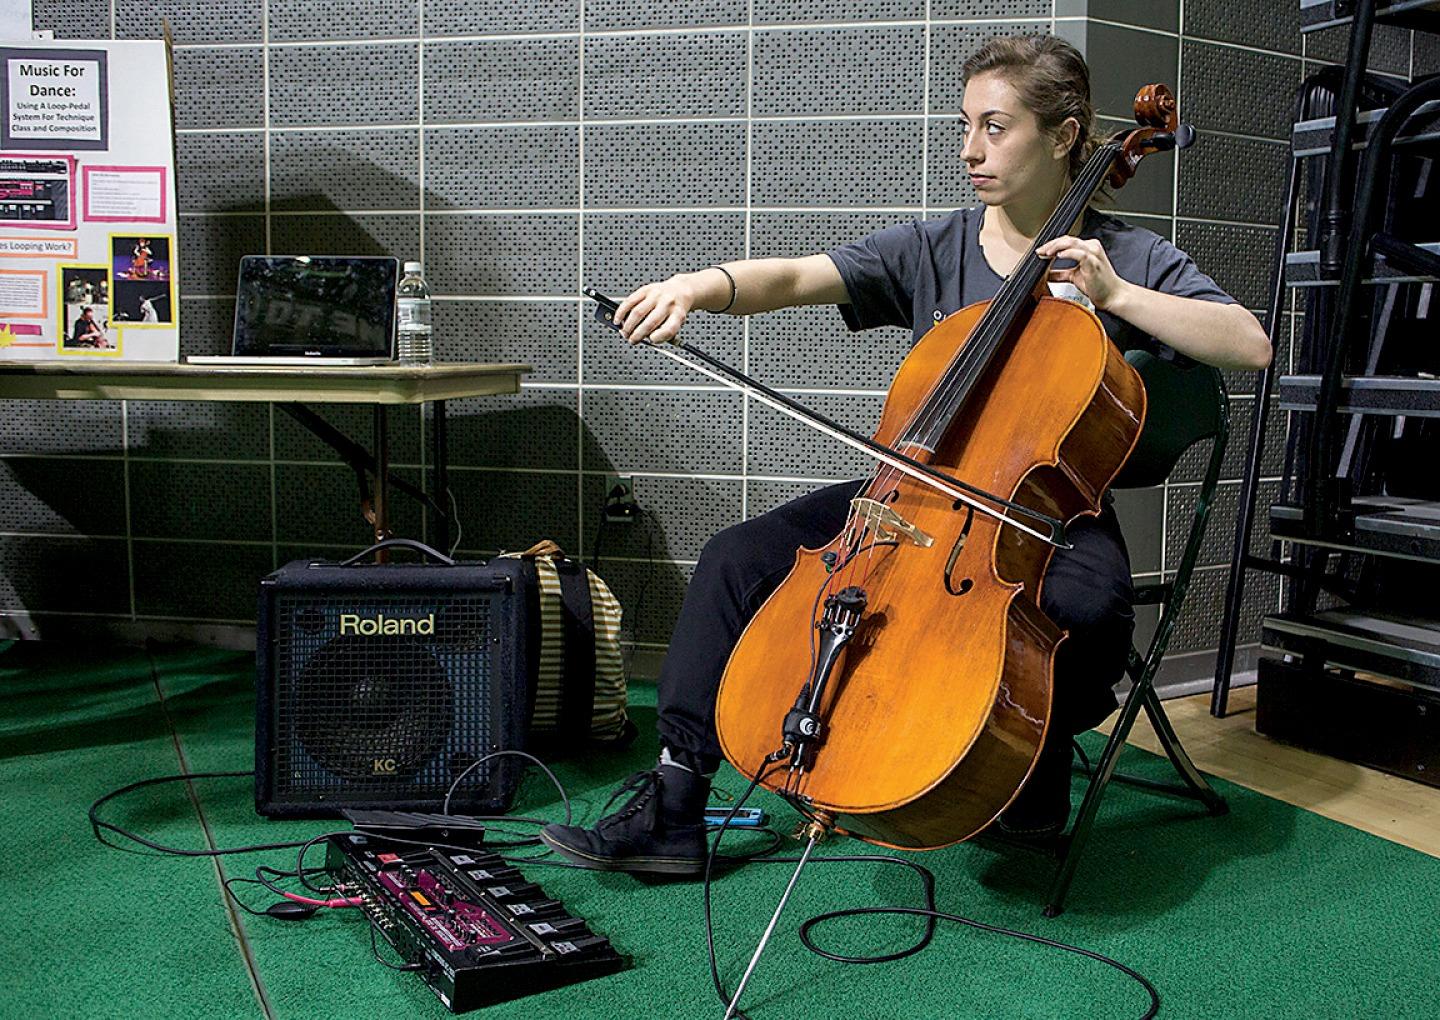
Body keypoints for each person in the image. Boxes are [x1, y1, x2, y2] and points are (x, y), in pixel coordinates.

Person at [541, 34, 1270, 876]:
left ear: (1067, 136)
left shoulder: (1127, 255)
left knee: (1088, 608)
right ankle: (674, 802)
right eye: (966, 125)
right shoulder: (933, 246)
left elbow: (1247, 344)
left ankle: (1020, 766)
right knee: (737, 559)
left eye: (995, 128)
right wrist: (695, 290)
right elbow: (794, 276)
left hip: (1038, 512)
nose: (970, 150)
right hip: (908, 491)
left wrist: (1115, 296)